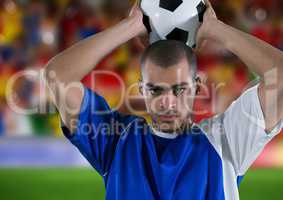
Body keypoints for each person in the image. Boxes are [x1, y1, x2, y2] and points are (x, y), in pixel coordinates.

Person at [43, 1, 283, 199]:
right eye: (156, 90)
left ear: (197, 87)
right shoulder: (116, 141)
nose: (168, 102)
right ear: (141, 90)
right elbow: (58, 75)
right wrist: (130, 26)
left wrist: (215, 29)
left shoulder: (227, 140)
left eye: (179, 90)